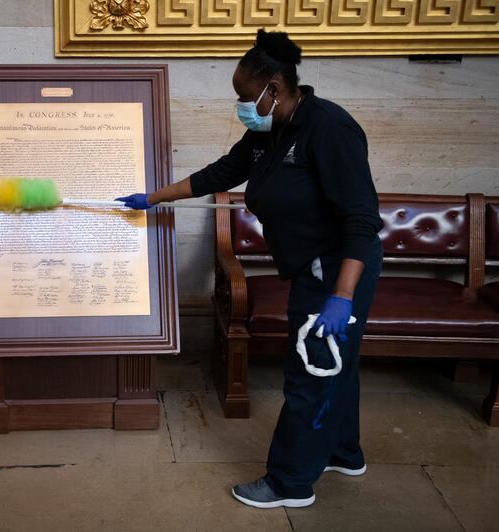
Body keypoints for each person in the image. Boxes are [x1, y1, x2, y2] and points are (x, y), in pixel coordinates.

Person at [116, 29, 384, 509]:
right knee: (333, 367)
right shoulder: (269, 130)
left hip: (338, 270)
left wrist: (342, 296)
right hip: (311, 268)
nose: (241, 105)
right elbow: (220, 172)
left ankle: (289, 483)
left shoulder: (329, 129)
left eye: (245, 97)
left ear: (274, 90)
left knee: (309, 372)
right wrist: (151, 198)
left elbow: (362, 221)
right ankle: (344, 451)